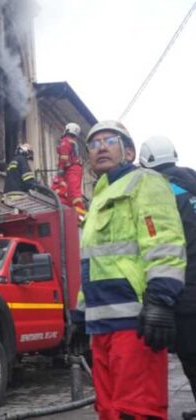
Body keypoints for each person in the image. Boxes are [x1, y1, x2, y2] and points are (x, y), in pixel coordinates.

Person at [73, 121, 186, 419]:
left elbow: (164, 241)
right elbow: (93, 261)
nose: (101, 148)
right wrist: (80, 313)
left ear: (129, 151)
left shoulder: (145, 182)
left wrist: (161, 300)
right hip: (102, 325)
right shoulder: (98, 199)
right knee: (109, 409)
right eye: (93, 145)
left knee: (138, 409)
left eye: (109, 140)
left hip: (135, 320)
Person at [139, 136, 196, 419]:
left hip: (186, 287)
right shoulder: (192, 184)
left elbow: (162, 241)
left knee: (192, 355)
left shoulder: (160, 191)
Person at [56, 123, 87, 215]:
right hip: (74, 168)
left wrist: (61, 168)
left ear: (67, 129)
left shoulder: (66, 141)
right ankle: (73, 207)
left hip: (71, 168)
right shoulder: (73, 141)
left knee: (72, 190)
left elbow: (64, 156)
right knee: (71, 189)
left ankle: (78, 210)